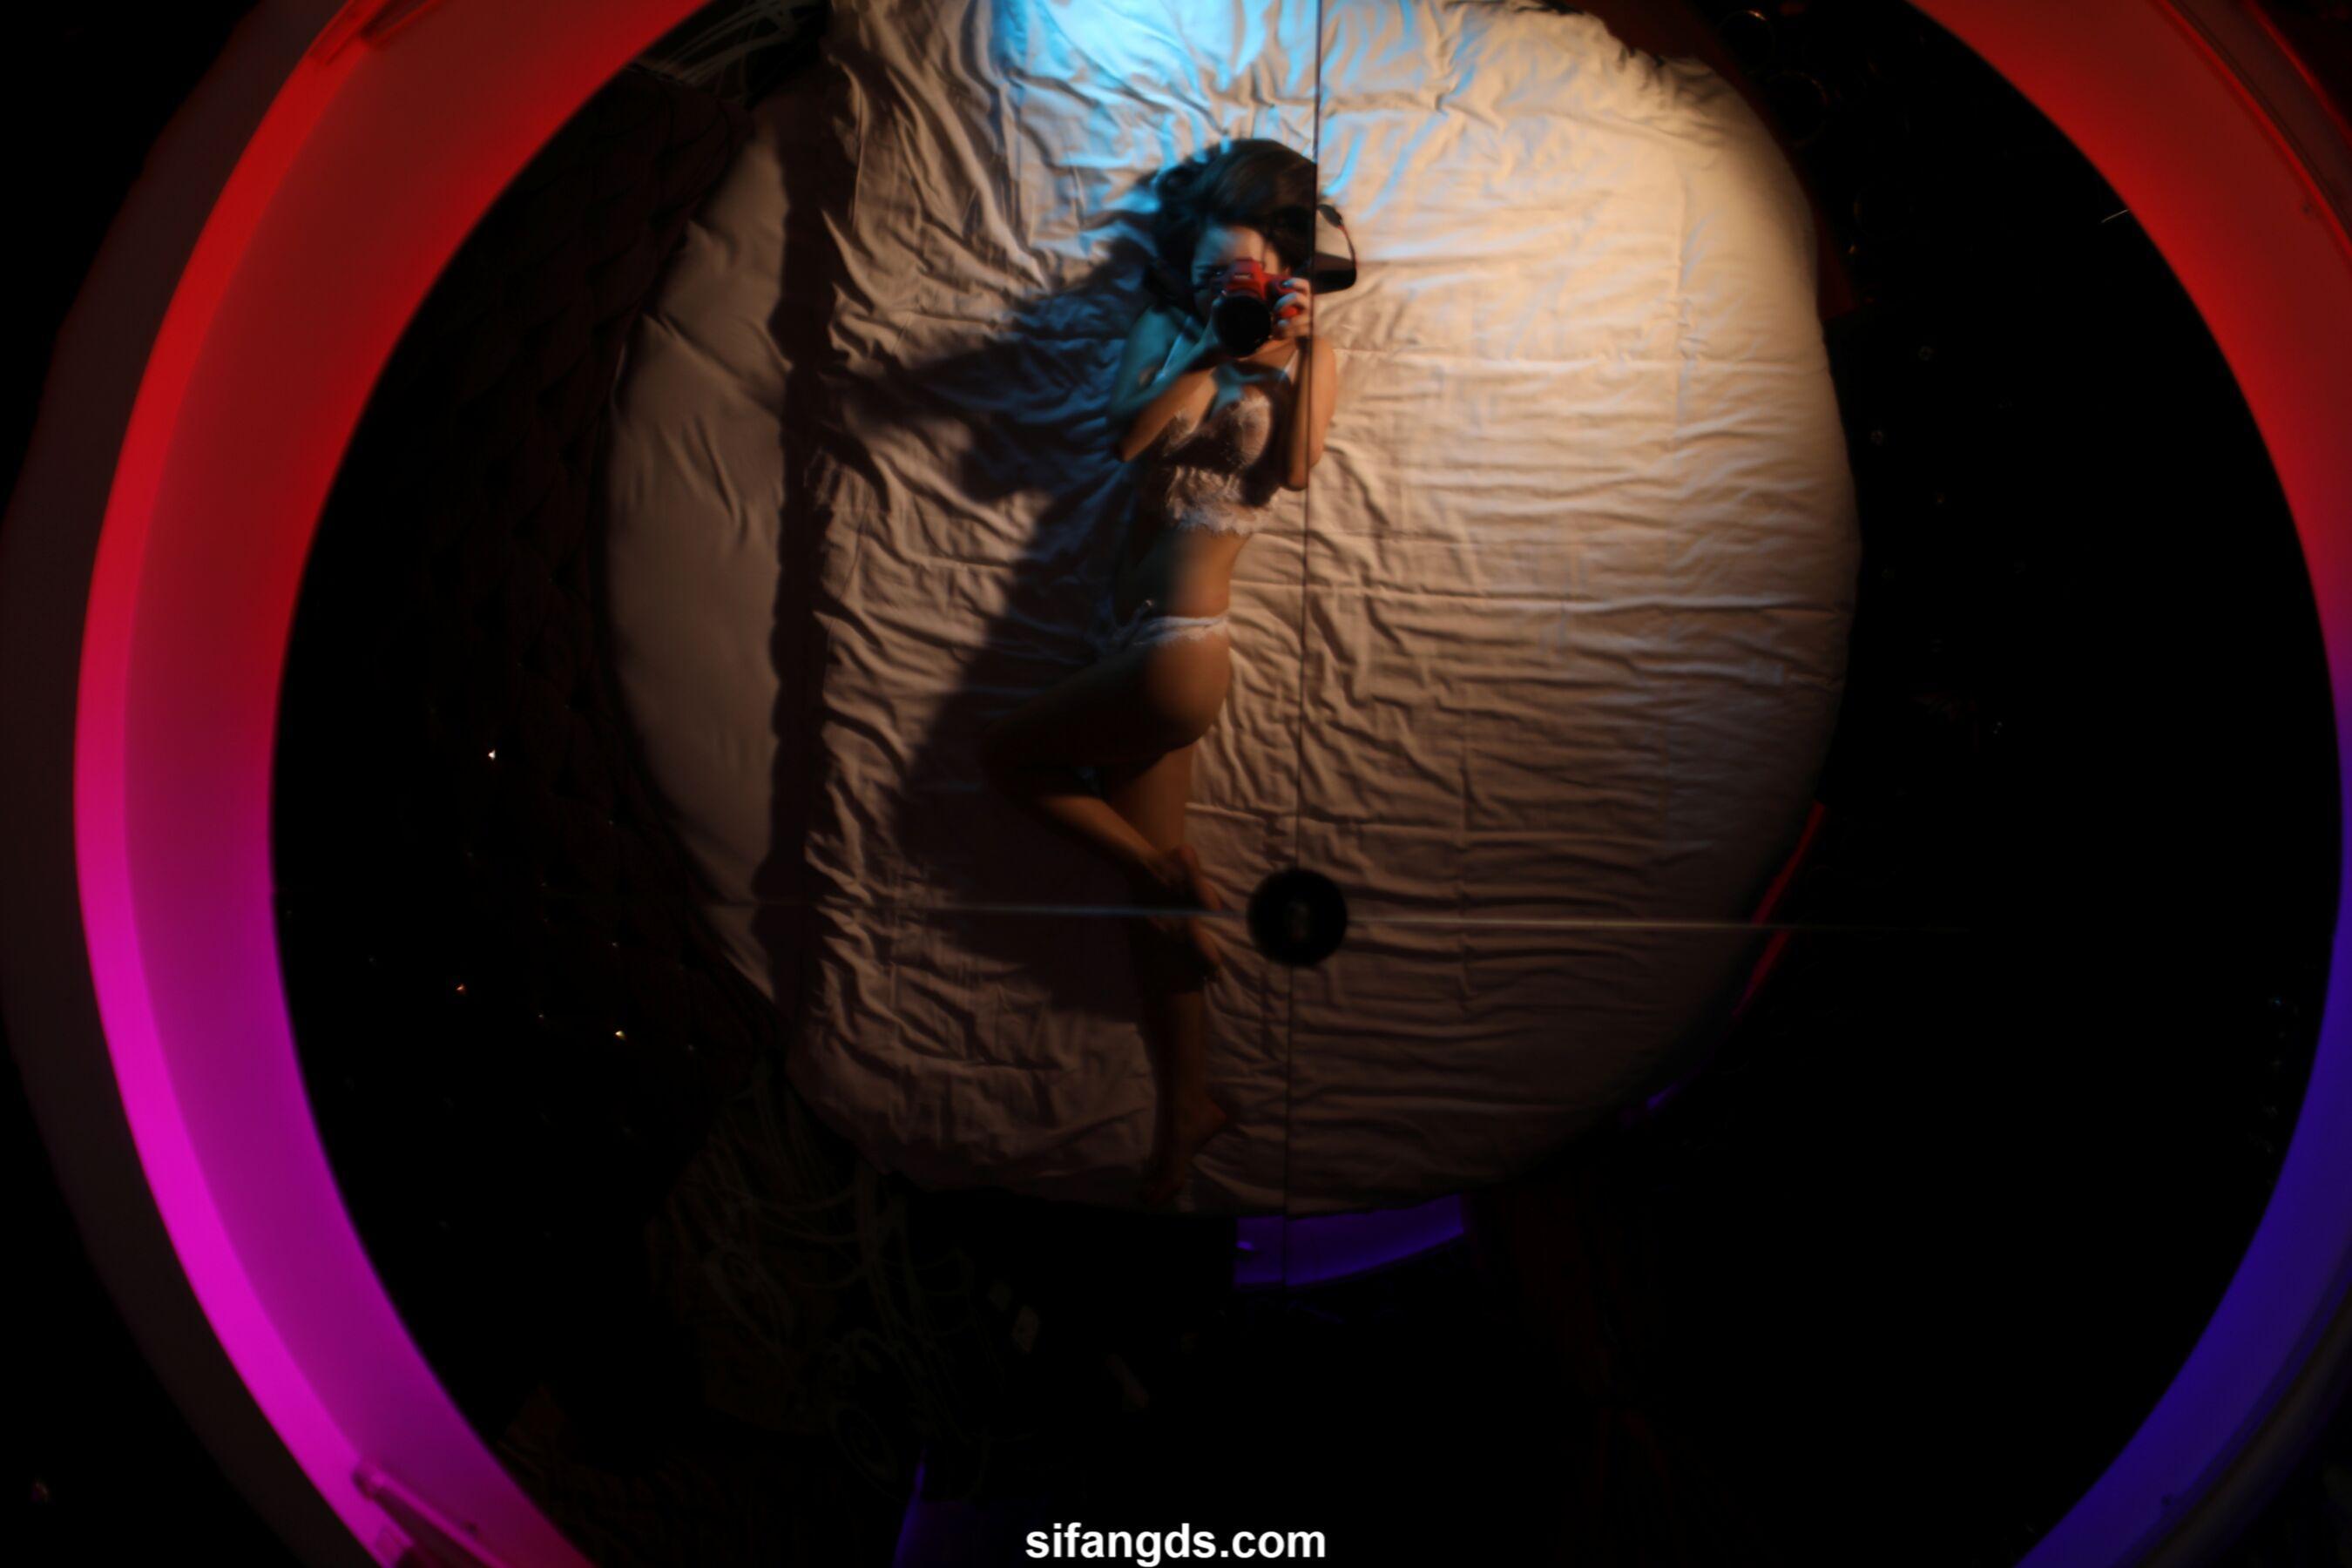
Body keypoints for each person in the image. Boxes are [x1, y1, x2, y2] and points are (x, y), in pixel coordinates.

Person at [978, 139, 1342, 1207]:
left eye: (1246, 273)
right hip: (1120, 638)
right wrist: (1203, 349)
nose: (1225, 286)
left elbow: (1298, 471)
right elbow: (1127, 441)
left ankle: (1162, 875)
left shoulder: (1308, 348)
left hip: (1182, 652)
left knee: (1005, 759)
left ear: (1285, 271)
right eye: (1209, 269)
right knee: (1151, 915)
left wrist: (1293, 357)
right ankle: (1189, 1105)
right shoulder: (1168, 329)